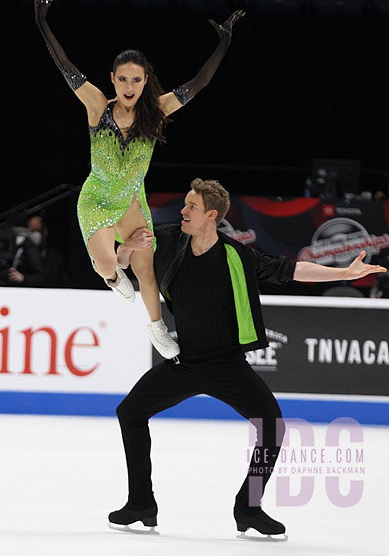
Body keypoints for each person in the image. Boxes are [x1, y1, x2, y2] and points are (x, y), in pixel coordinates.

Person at [110, 178, 387, 537]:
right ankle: (141, 503)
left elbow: (291, 270)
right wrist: (127, 247)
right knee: (129, 413)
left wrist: (345, 273)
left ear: (211, 215)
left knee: (272, 426)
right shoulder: (165, 240)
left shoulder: (237, 256)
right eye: (184, 205)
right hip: (184, 362)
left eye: (191, 207)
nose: (183, 211)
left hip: (227, 365)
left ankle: (249, 508)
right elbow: (119, 265)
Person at [25, 0, 245, 358]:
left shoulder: (156, 111)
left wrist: (223, 44)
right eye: (123, 79)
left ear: (146, 81)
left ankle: (157, 329)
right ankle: (116, 269)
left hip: (129, 198)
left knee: (146, 271)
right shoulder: (97, 105)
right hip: (96, 198)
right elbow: (65, 66)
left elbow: (199, 83)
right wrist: (41, 20)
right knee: (104, 265)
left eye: (137, 79)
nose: (130, 86)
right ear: (113, 79)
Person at [27, 213, 69, 288]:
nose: (36, 235)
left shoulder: (56, 257)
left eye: (38, 230)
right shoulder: (21, 254)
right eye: (32, 231)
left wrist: (24, 278)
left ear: (45, 231)